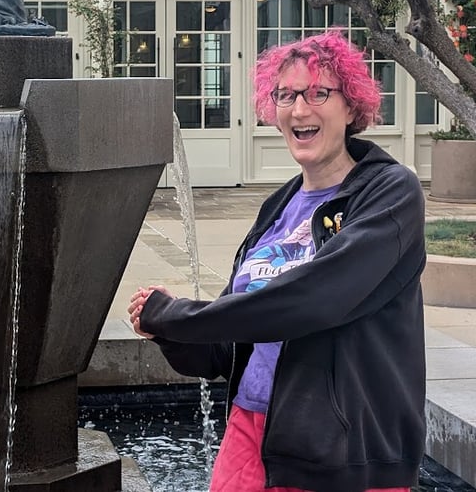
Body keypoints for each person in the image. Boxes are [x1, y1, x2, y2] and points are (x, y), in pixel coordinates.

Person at [128, 31, 426, 492]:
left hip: (341, 453)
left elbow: (315, 300)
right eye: (286, 95)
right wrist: (164, 328)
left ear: (351, 107)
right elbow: (226, 350)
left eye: (318, 93)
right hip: (251, 432)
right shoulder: (278, 208)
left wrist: (182, 315)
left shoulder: (389, 193)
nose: (300, 109)